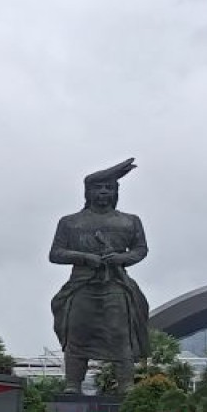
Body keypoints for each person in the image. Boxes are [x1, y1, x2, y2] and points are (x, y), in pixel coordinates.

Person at [48, 157, 151, 396]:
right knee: (77, 333)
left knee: (119, 334)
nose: (103, 192)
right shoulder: (70, 222)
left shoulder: (130, 221)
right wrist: (84, 257)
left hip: (115, 284)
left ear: (115, 191)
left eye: (109, 188)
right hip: (81, 285)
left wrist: (120, 258)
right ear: (88, 192)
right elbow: (55, 253)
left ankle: (126, 386)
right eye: (98, 187)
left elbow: (141, 249)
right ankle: (72, 384)